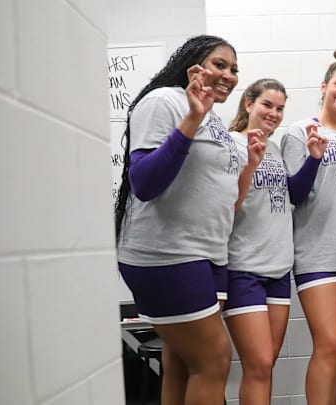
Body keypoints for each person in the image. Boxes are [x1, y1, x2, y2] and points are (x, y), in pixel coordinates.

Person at [115, 35, 260, 404]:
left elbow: (225, 201)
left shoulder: (214, 119)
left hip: (209, 255)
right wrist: (192, 117)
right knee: (214, 361)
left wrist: (249, 167)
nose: (229, 74)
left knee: (182, 362)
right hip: (168, 253)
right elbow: (145, 183)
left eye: (234, 69)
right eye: (219, 64)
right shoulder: (165, 101)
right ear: (193, 64)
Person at [280, 49, 336, 405]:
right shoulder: (299, 131)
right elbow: (294, 193)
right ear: (324, 86)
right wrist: (315, 158)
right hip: (317, 252)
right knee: (329, 341)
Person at [222, 78, 299, 405]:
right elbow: (228, 205)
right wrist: (250, 166)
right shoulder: (230, 145)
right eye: (268, 104)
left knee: (266, 367)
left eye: (280, 108)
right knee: (258, 363)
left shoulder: (277, 148)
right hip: (244, 268)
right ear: (249, 104)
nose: (274, 113)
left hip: (279, 269)